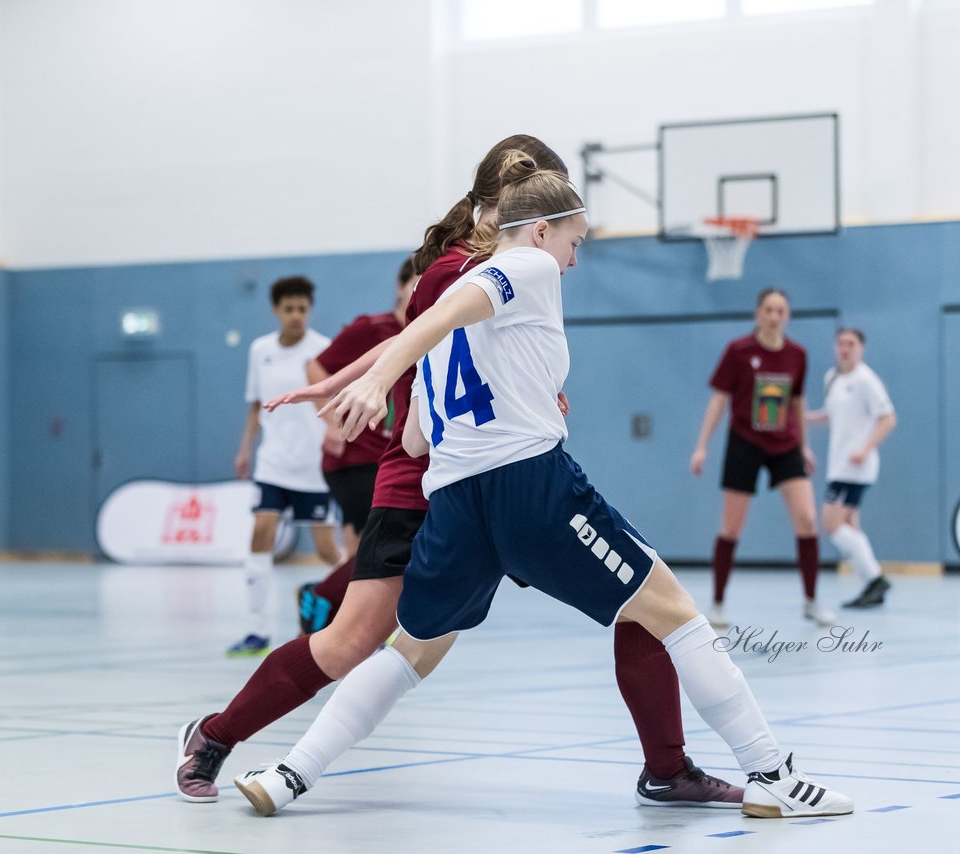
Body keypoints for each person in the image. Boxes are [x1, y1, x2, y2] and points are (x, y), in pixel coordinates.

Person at [238, 156, 853, 819]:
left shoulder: (445, 305)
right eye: (574, 242)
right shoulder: (519, 267)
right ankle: (773, 775)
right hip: (530, 489)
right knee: (676, 613)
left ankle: (288, 774)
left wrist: (500, 390)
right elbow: (466, 307)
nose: (574, 260)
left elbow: (415, 440)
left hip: (453, 504)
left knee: (410, 650)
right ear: (539, 231)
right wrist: (374, 374)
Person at [689, 288, 834, 629]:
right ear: (758, 313)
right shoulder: (738, 351)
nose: (774, 316)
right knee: (732, 527)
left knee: (807, 519)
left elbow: (797, 402)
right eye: (768, 309)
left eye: (780, 310)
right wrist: (702, 446)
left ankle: (812, 601)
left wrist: (805, 446)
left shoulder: (797, 355)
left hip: (785, 445)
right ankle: (719, 603)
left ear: (787, 316)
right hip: (745, 443)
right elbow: (718, 401)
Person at [296, 258, 416, 634]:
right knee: (371, 548)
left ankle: (330, 606)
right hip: (353, 459)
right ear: (400, 287)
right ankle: (336, 614)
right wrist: (331, 422)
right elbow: (316, 368)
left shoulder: (430, 334)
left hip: (391, 459)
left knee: (372, 551)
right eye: (416, 282)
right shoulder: (372, 328)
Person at [229, 276, 339, 657]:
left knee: (327, 550)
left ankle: (351, 618)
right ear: (276, 310)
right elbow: (256, 404)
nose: (295, 316)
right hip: (272, 463)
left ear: (310, 310)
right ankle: (258, 631)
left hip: (313, 467)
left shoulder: (323, 349)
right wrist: (245, 449)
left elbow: (334, 401)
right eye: (288, 309)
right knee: (260, 535)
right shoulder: (260, 350)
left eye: (302, 309)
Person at [806, 327, 897, 608]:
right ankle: (872, 584)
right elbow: (832, 416)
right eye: (841, 343)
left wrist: (865, 448)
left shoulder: (866, 380)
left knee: (831, 525)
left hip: (855, 467)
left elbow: (888, 418)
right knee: (849, 526)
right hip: (838, 465)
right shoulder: (832, 378)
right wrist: (803, 417)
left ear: (861, 348)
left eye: (851, 343)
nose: (845, 348)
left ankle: (875, 578)